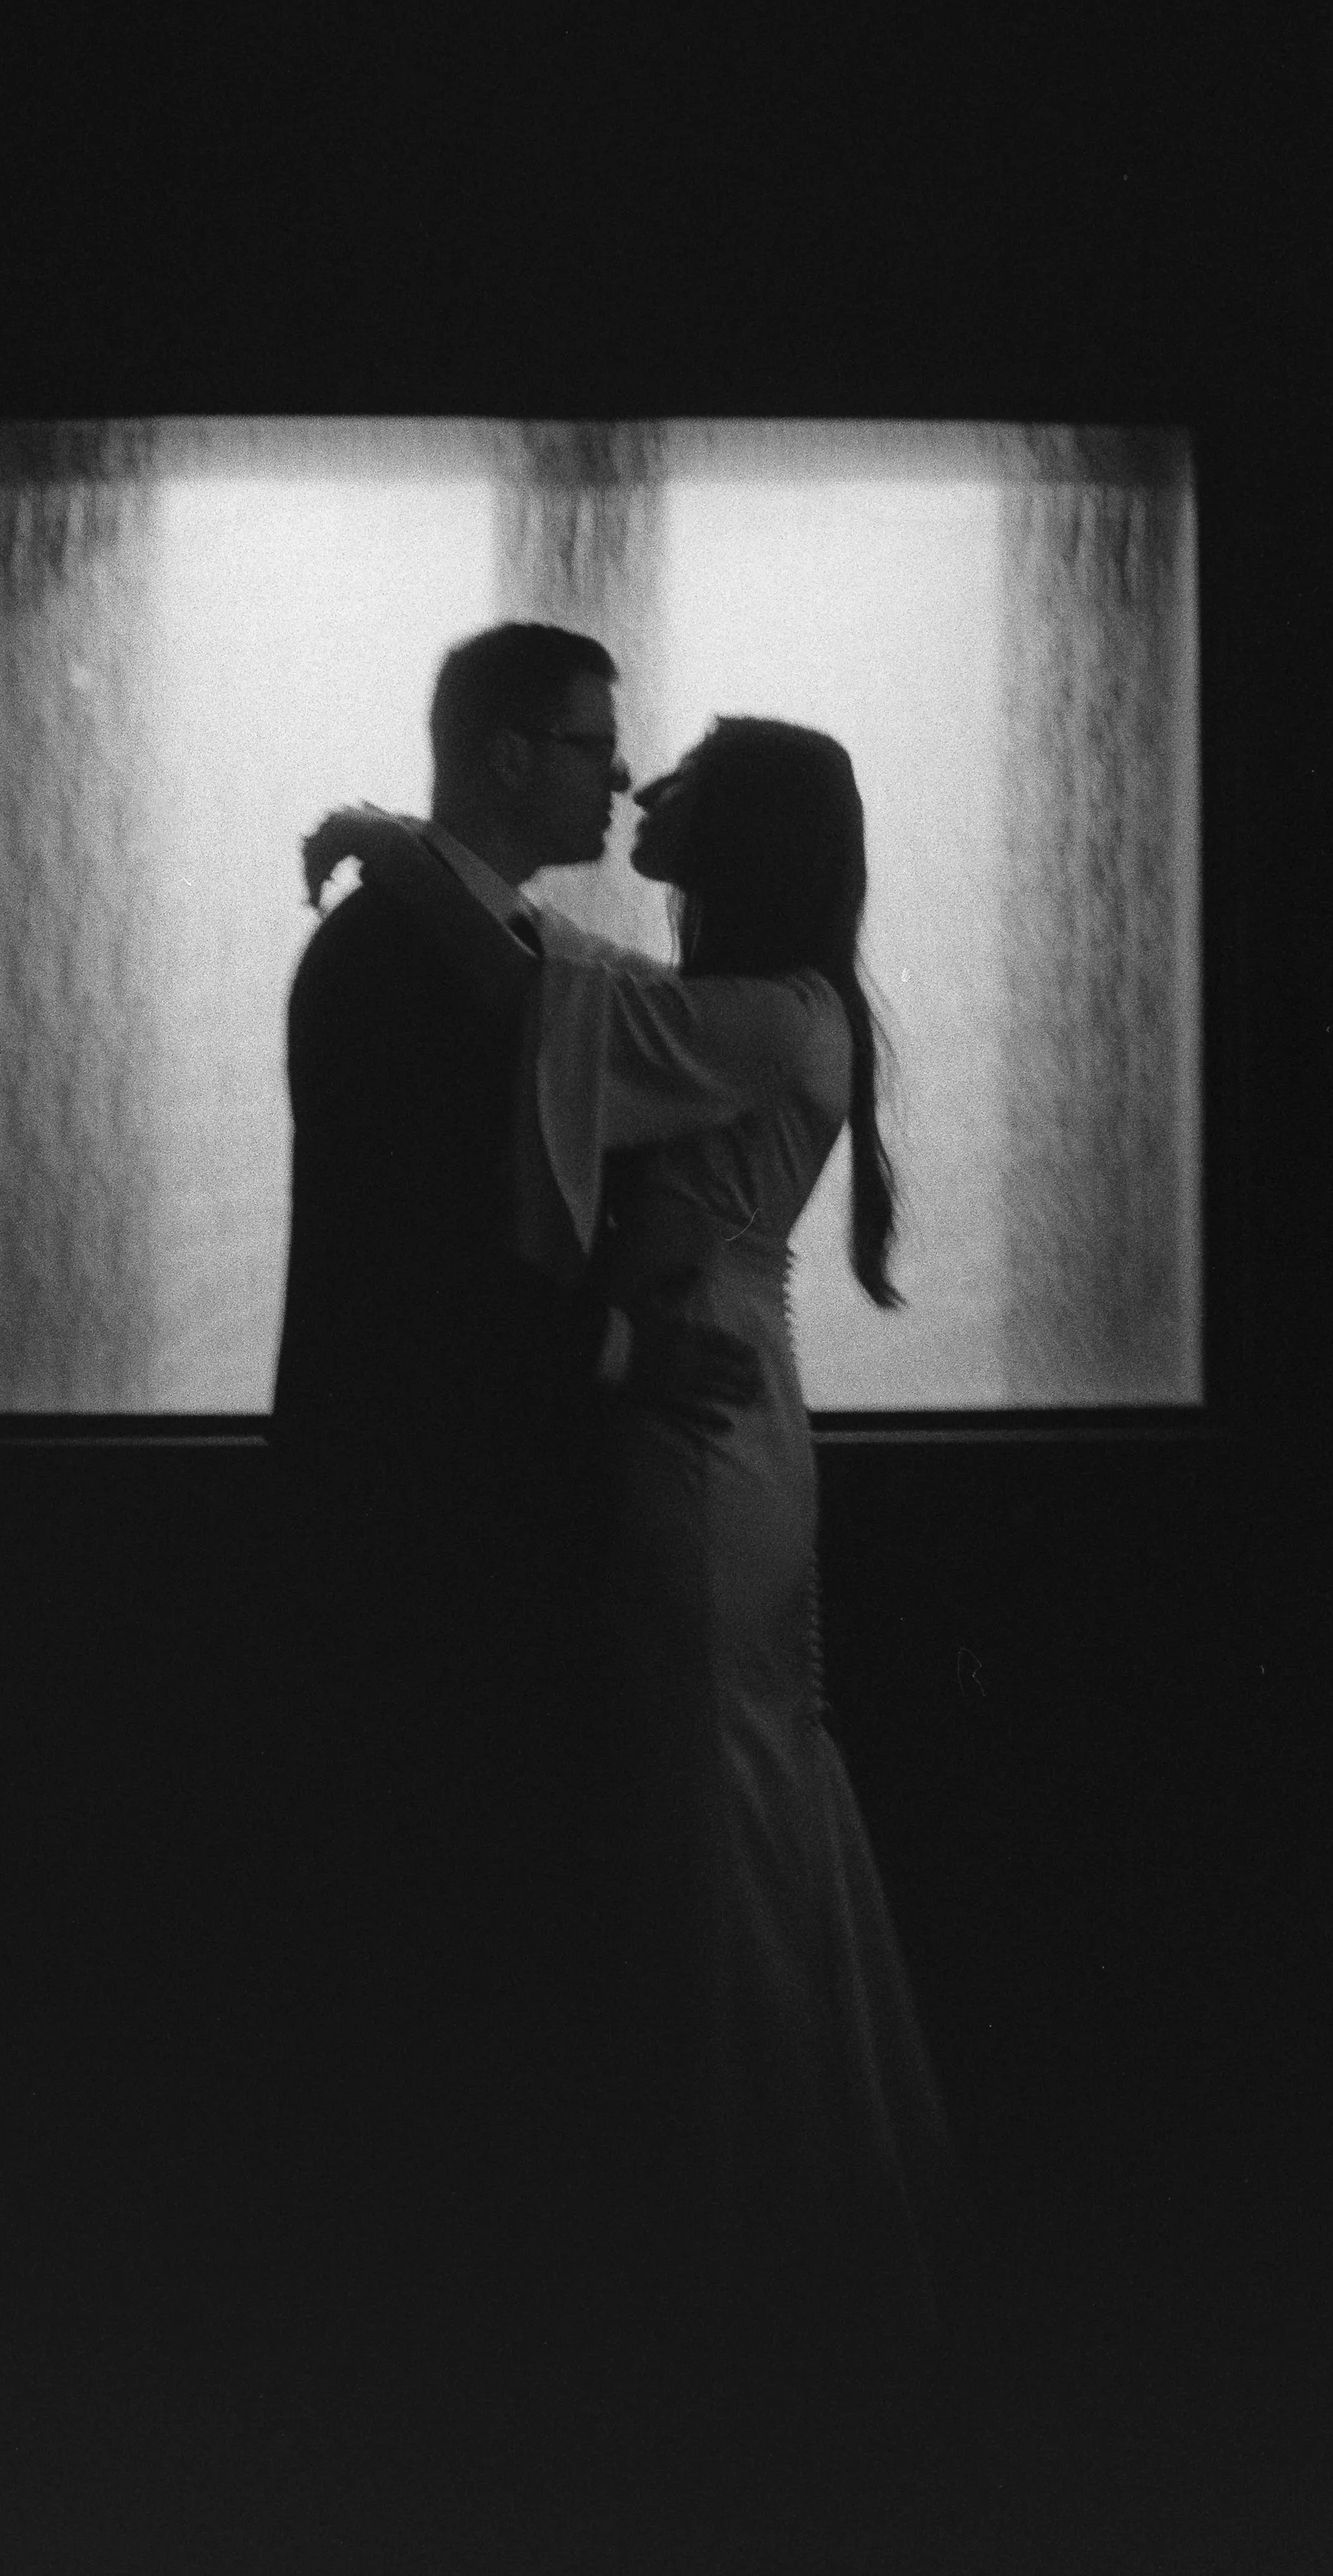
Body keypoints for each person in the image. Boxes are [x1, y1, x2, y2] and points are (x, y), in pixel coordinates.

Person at [301, 717, 980, 2553]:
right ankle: (756, 2238)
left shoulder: (765, 1016)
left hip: (693, 1445)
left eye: (675, 778)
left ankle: (728, 2256)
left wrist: (395, 842)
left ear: (735, 831)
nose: (640, 794)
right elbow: (557, 986)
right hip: (717, 1418)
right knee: (734, 1786)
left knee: (706, 1795)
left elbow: (534, 1005)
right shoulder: (774, 1007)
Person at [267, 623, 763, 2390]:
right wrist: (621, 1348)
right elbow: (412, 1279)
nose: (612, 780)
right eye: (583, 746)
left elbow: (537, 1002)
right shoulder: (396, 964)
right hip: (429, 1521)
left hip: (464, 1509)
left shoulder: (450, 946)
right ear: (497, 760)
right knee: (449, 1918)